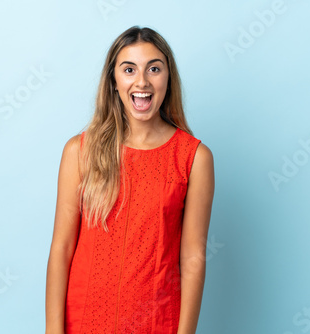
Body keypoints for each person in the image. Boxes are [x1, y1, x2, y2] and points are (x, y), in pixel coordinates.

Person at [45, 25, 214, 334]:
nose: (142, 81)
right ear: (114, 81)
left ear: (168, 79)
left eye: (154, 68)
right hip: (84, 321)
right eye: (129, 69)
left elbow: (193, 257)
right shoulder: (79, 152)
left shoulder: (194, 158)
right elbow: (62, 248)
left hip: (156, 323)